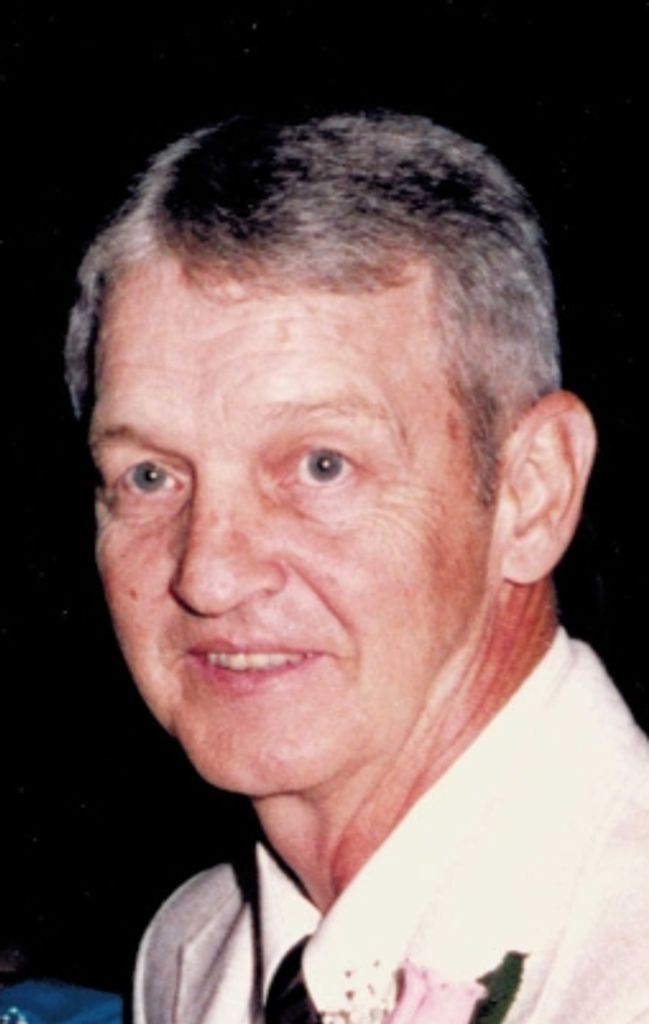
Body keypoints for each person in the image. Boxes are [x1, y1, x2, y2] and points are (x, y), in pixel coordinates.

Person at [65, 112, 649, 1023]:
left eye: (320, 465)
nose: (208, 575)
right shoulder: (192, 954)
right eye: (149, 476)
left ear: (531, 493)